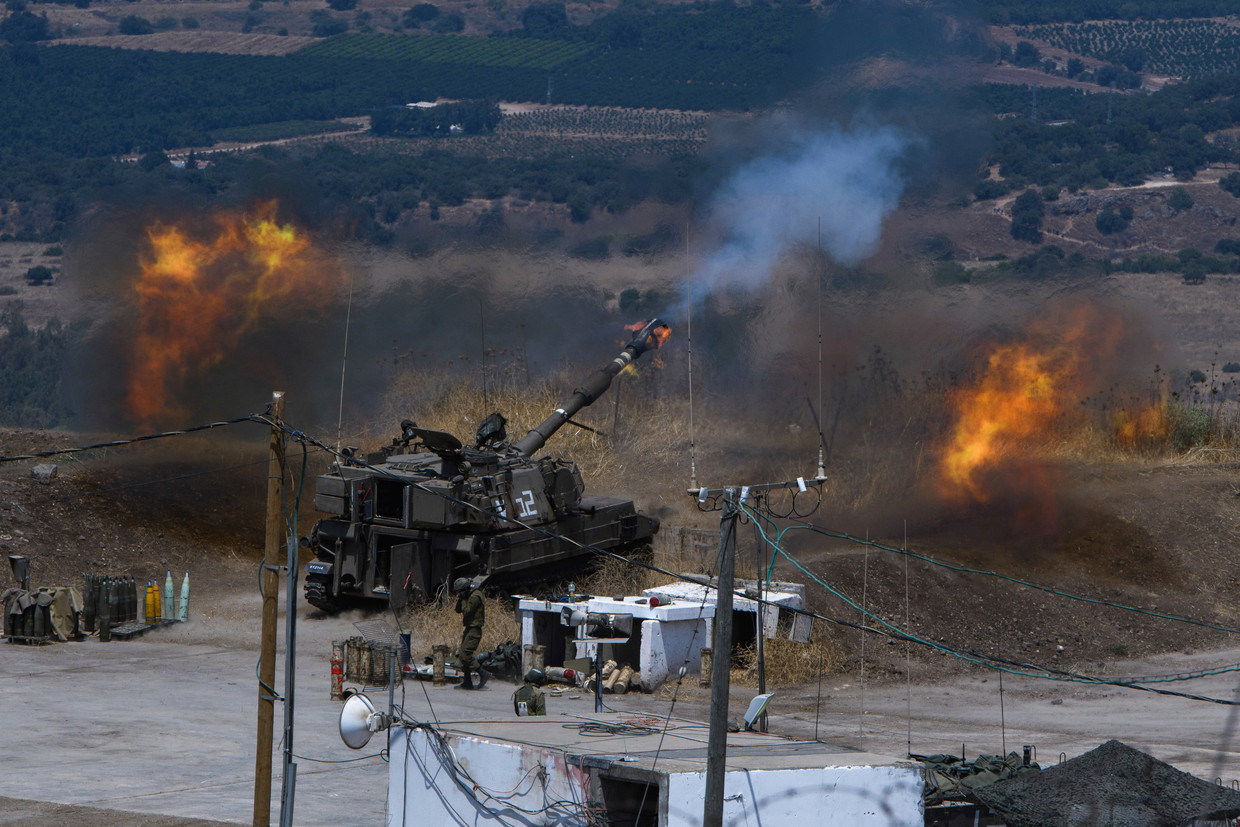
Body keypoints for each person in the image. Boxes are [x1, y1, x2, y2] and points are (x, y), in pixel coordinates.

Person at [453, 577, 489, 689]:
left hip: (475, 629)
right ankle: (467, 682)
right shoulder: (469, 595)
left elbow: (467, 611)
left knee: (466, 655)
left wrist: (463, 600)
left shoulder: (475, 596)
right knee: (463, 655)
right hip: (469, 628)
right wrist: (460, 599)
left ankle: (483, 673)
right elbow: (458, 610)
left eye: (460, 591)